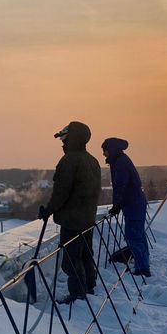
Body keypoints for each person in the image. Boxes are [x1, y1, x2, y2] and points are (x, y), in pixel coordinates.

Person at [39, 121, 101, 304]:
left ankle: (78, 296)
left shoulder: (70, 161)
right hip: (87, 218)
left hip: (73, 221)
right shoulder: (92, 160)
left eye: (65, 139)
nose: (62, 143)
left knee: (72, 261)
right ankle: (89, 287)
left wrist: (48, 209)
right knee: (85, 255)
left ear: (73, 139)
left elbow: (61, 192)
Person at [101, 137, 151, 277]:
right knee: (139, 236)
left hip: (133, 204)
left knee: (133, 237)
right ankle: (143, 265)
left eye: (104, 151)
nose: (103, 154)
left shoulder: (120, 163)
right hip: (134, 203)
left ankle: (142, 269)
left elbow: (120, 185)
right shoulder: (120, 160)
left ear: (110, 150)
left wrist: (117, 205)